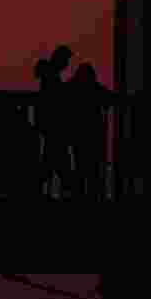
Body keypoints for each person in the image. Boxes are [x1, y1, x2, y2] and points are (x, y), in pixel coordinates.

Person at [68, 62, 110, 199]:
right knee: (94, 170)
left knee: (81, 167)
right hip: (93, 135)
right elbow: (110, 97)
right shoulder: (94, 89)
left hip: (80, 135)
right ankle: (94, 197)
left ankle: (79, 197)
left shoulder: (73, 88)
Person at [36, 45, 74, 196]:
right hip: (55, 128)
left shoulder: (49, 76)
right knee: (58, 164)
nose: (67, 64)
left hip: (50, 127)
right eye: (66, 60)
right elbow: (54, 98)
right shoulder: (52, 76)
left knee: (50, 162)